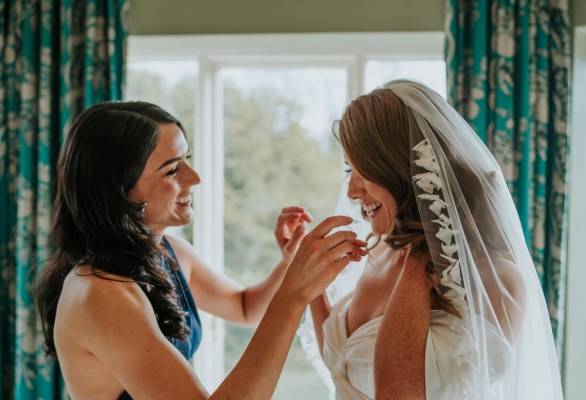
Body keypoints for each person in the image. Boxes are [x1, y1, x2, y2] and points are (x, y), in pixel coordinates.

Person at [34, 101, 368, 399]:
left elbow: (245, 307)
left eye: (187, 160)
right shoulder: (100, 293)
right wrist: (293, 296)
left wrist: (289, 262)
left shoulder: (169, 252)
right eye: (173, 168)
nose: (195, 179)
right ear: (119, 189)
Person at [306, 80, 563, 399]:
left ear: (402, 170)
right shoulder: (381, 253)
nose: (352, 192)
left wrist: (421, 253)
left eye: (365, 172)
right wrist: (309, 287)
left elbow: (400, 392)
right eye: (349, 171)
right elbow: (341, 365)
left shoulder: (493, 278)